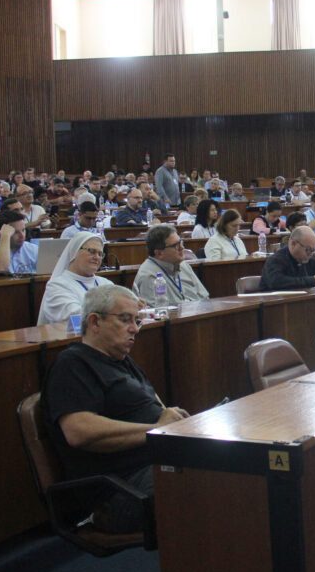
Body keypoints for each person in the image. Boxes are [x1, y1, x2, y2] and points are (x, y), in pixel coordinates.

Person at [42, 286, 189, 533]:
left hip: (152, 465)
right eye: (125, 320)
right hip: (119, 490)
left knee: (229, 465)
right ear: (94, 321)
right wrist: (156, 429)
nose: (134, 328)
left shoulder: (123, 362)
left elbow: (158, 409)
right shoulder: (73, 364)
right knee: (208, 481)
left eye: (137, 321)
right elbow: (79, 431)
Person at [37, 233, 112, 325]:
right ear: (74, 251)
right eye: (91, 251)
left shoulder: (106, 283)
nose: (96, 257)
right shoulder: (57, 286)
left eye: (100, 254)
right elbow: (73, 317)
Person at [133, 226, 209, 303]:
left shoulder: (183, 265)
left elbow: (204, 296)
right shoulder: (148, 276)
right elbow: (156, 311)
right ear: (159, 253)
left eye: (181, 242)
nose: (182, 247)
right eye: (176, 245)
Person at [260, 226, 315, 290]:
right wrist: (312, 280)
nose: (310, 254)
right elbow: (276, 282)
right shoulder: (275, 260)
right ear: (293, 244)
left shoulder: (309, 260)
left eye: (313, 250)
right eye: (308, 250)